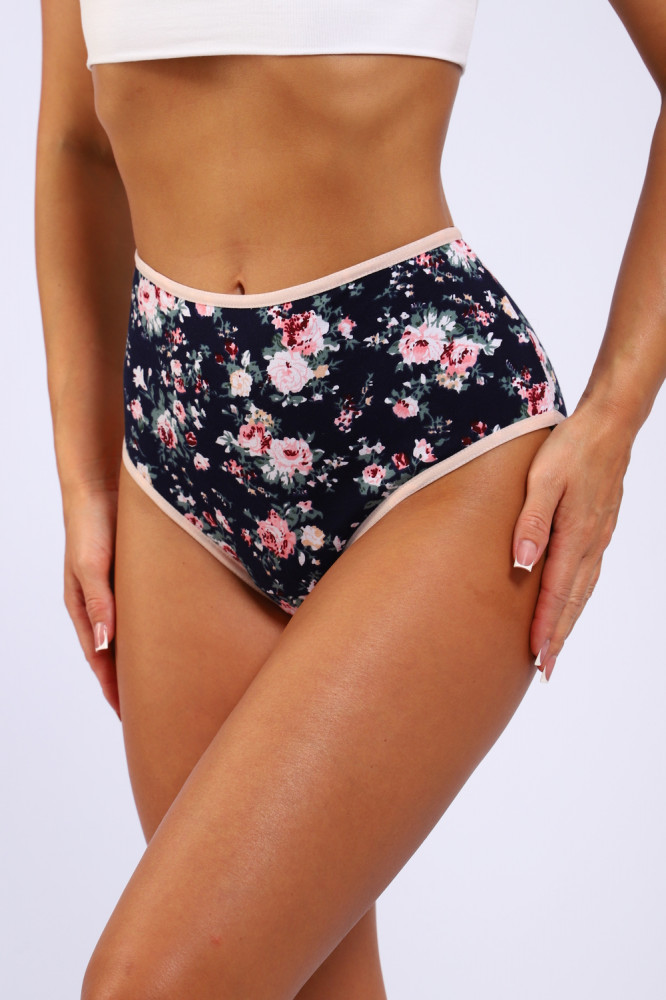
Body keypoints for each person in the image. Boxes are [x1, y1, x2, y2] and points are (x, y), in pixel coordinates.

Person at [34, 0, 664, 997]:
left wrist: (615, 416)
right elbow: (76, 145)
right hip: (176, 471)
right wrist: (84, 481)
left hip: (438, 446)